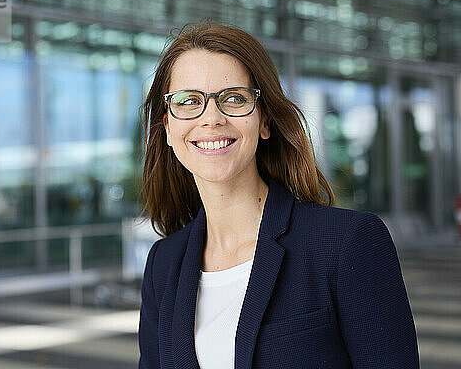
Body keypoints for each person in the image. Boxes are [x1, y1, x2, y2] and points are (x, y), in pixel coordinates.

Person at [136, 21, 419, 369]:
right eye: (188, 101)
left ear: (265, 121)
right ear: (167, 127)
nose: (211, 118)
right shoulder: (163, 263)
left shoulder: (346, 242)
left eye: (234, 98)